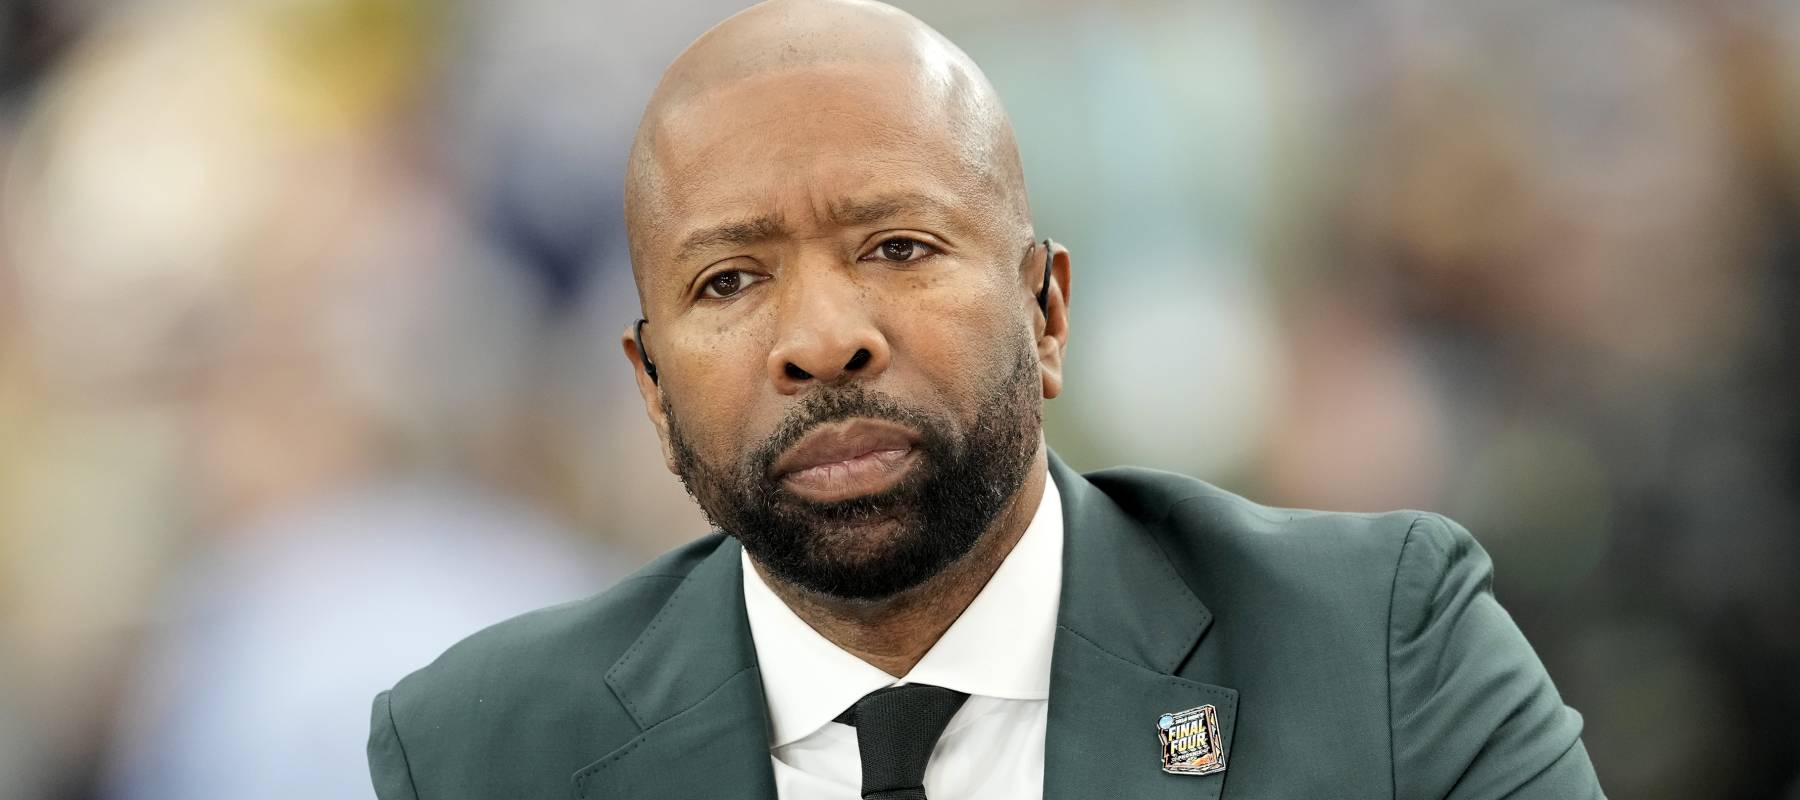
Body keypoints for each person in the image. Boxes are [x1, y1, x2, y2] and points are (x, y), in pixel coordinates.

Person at [367, 1, 1605, 797]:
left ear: (1048, 311)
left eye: (898, 246)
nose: (822, 339)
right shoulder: (480, 752)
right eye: (731, 279)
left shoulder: (1379, 654)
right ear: (648, 388)